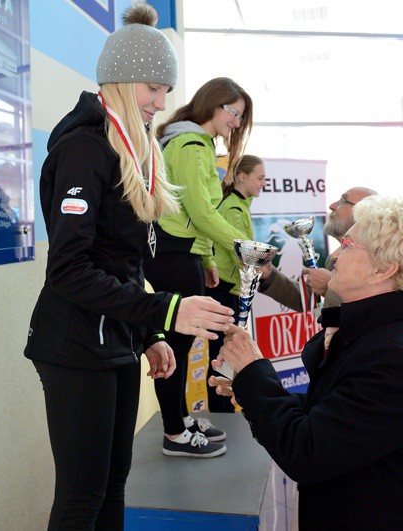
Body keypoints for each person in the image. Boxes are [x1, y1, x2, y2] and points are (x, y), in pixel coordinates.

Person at [23, 7, 235, 529]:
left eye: (166, 91)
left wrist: (146, 335)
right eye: (153, 89)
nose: (161, 104)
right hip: (73, 345)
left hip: (113, 340)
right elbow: (69, 271)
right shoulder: (82, 150)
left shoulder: (130, 150)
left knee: (115, 481)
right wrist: (168, 310)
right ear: (117, 81)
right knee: (82, 495)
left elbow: (121, 264)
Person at [210, 195, 403, 530]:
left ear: (384, 269)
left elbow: (306, 450)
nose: (335, 255)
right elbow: (338, 418)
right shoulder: (381, 330)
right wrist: (251, 390)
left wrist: (255, 373)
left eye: (348, 245)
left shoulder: (393, 357)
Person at [143, 77, 254, 456]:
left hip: (184, 251)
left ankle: (181, 418)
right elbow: (202, 212)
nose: (236, 122)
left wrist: (207, 258)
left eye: (241, 116)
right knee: (176, 343)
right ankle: (174, 433)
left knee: (182, 342)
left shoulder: (198, 144)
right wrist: (242, 248)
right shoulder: (190, 145)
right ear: (213, 105)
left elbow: (198, 213)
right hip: (171, 251)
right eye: (234, 112)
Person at [206, 154, 266, 413]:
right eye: (260, 178)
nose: (263, 183)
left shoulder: (240, 204)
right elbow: (240, 251)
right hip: (225, 288)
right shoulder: (232, 206)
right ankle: (222, 410)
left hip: (230, 287)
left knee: (226, 348)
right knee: (223, 351)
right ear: (242, 177)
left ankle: (225, 407)